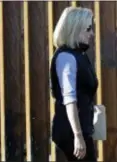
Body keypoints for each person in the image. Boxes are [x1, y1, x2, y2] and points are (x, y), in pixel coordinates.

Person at [50, 6, 98, 161]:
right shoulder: (66, 58)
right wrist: (78, 136)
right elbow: (69, 99)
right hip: (71, 133)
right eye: (88, 29)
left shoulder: (79, 55)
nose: (92, 34)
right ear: (75, 29)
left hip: (80, 129)